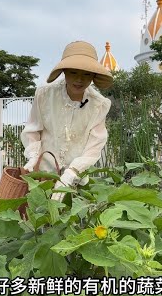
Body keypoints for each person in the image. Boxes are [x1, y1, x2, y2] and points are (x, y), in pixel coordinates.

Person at [20, 40, 113, 200]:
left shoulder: (99, 104)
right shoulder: (44, 95)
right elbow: (34, 129)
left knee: (73, 220)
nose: (79, 80)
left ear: (93, 76)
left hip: (76, 179)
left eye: (86, 74)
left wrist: (72, 172)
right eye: (73, 73)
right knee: (41, 217)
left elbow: (95, 145)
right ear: (64, 72)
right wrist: (33, 156)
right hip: (44, 173)